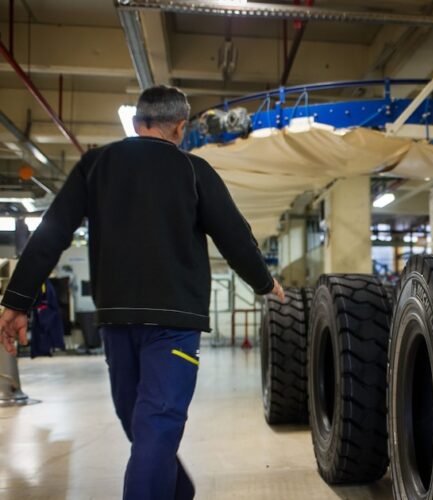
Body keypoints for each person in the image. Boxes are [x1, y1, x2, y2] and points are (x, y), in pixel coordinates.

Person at [0, 85, 284, 500]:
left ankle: (178, 493)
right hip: (174, 323)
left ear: (136, 123)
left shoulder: (96, 164)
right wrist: (264, 282)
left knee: (144, 424)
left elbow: (53, 231)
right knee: (151, 424)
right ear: (181, 128)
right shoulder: (194, 170)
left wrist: (18, 298)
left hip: (116, 321)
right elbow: (235, 237)